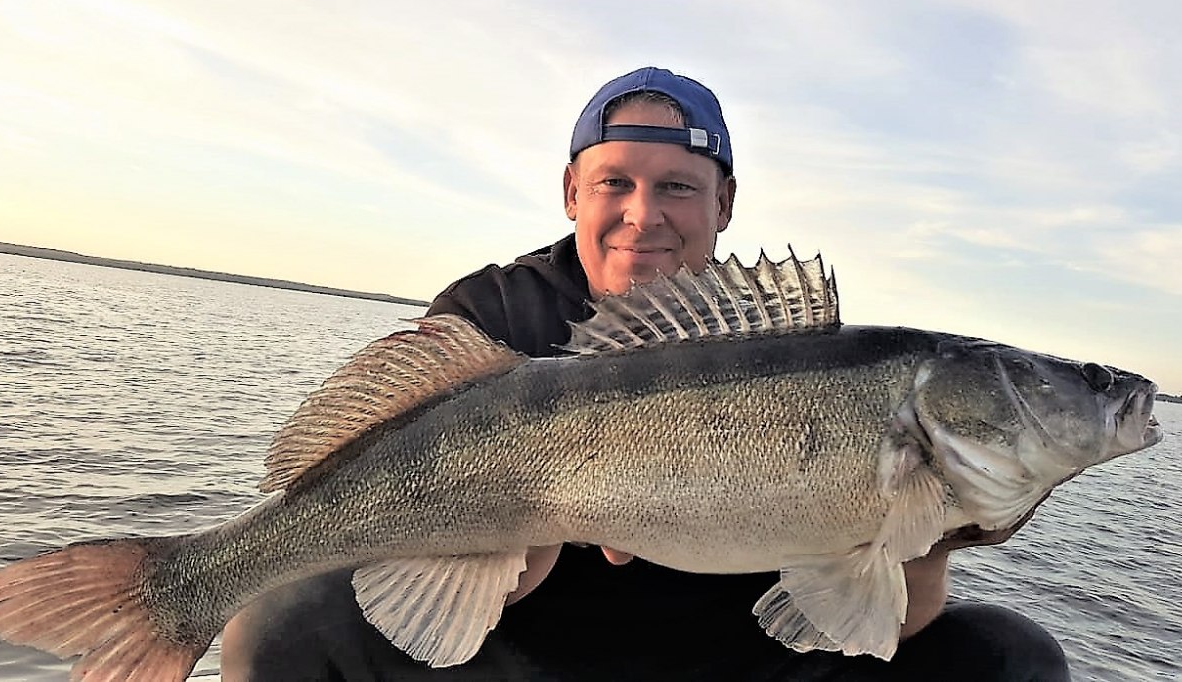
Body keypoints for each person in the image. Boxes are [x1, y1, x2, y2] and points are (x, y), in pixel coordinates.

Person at [221, 66, 1070, 681]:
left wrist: (925, 536)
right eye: (614, 183)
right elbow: (460, 592)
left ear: (724, 205)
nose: (643, 215)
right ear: (571, 193)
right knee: (284, 620)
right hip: (522, 658)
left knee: (1011, 656)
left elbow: (896, 620)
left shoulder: (809, 360)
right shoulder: (495, 317)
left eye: (678, 188)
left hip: (743, 658)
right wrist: (540, 507)